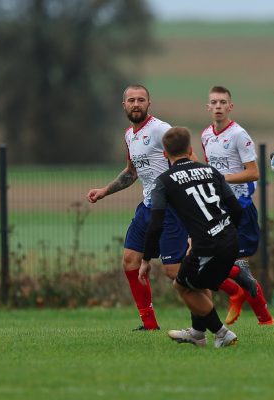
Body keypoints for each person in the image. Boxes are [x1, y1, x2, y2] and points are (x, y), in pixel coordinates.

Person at [86, 85, 189, 331]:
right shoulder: (129, 135)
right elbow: (132, 172)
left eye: (140, 100)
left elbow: (185, 161)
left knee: (173, 273)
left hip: (170, 209)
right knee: (130, 261)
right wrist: (104, 191)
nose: (136, 104)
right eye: (131, 100)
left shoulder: (161, 130)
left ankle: (229, 284)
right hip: (147, 207)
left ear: (149, 104)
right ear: (124, 105)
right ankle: (149, 324)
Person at [138, 126, 242, 348]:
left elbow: (156, 224)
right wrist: (225, 233)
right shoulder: (211, 172)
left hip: (209, 246)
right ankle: (197, 333)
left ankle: (222, 333)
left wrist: (146, 259)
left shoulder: (163, 182)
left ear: (165, 154)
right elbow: (237, 210)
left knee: (182, 285)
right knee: (196, 283)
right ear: (190, 149)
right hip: (229, 239)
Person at [201, 86, 274, 325]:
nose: (218, 107)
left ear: (230, 107)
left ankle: (264, 318)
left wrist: (221, 179)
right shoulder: (206, 135)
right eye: (214, 102)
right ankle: (238, 296)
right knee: (207, 261)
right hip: (217, 208)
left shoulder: (239, 135)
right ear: (208, 107)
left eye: (223, 102)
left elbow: (253, 173)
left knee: (239, 266)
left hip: (240, 207)